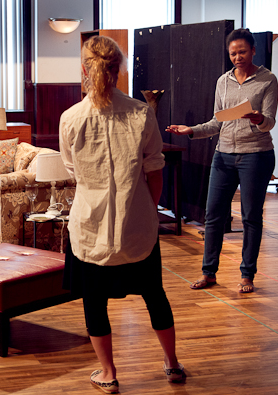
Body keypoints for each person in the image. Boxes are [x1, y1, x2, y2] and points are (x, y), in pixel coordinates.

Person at [59, 36, 185, 394]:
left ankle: (108, 372)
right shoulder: (142, 113)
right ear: (118, 70)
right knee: (155, 295)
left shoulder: (70, 119)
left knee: (93, 302)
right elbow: (155, 173)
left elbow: (74, 172)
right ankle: (172, 364)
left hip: (89, 227)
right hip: (138, 226)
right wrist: (145, 209)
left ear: (84, 69)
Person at [166, 28, 278, 293]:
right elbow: (217, 122)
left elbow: (270, 121)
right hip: (223, 155)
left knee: (251, 217)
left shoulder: (268, 80)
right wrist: (190, 130)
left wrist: (258, 119)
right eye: (233, 53)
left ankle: (247, 274)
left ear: (253, 50)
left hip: (256, 156)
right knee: (214, 215)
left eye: (242, 51)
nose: (238, 57)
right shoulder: (223, 81)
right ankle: (209, 273)